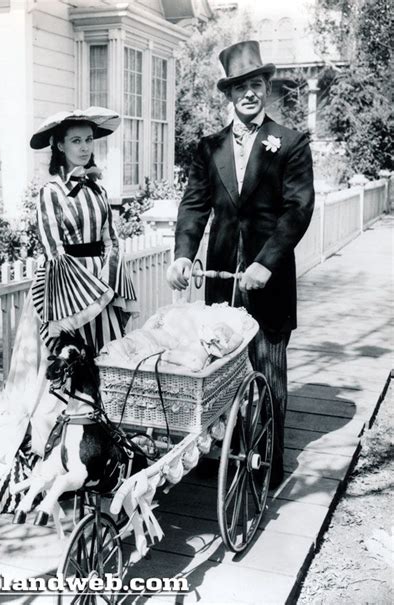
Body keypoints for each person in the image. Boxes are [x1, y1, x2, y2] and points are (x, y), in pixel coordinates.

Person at [0, 107, 138, 512]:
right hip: (63, 292)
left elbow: (111, 240)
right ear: (59, 146)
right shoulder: (50, 193)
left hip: (97, 287)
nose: (84, 148)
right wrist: (80, 297)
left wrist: (111, 283)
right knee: (59, 369)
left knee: (99, 368)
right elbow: (53, 252)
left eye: (88, 140)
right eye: (76, 141)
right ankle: (47, 462)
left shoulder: (99, 190)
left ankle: (94, 455)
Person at [167, 41, 315, 488]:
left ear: (266, 89)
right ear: (228, 95)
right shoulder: (208, 148)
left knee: (267, 368)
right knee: (220, 366)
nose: (249, 93)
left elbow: (298, 208)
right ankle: (225, 454)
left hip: (267, 280)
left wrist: (267, 262)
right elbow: (194, 207)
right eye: (240, 87)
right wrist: (182, 254)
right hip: (221, 280)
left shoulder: (290, 143)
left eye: (256, 84)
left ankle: (268, 466)